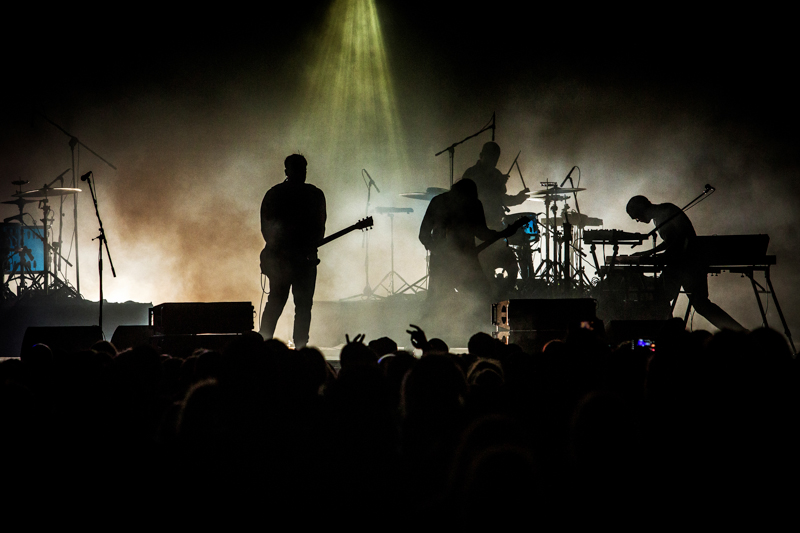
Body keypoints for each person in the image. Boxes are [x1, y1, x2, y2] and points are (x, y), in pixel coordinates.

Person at [626, 195, 745, 332]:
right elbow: (671, 241)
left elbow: (683, 238)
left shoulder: (668, 211)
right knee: (665, 297)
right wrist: (649, 252)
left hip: (689, 263)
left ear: (641, 209)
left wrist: (660, 256)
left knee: (698, 304)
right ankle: (739, 332)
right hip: (680, 264)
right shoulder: (658, 217)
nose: (637, 220)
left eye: (636, 216)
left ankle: (739, 332)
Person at [419, 179, 518, 334]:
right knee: (476, 294)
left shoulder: (444, 201)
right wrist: (439, 251)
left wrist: (501, 234)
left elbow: (424, 235)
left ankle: (475, 332)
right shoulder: (468, 203)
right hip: (455, 261)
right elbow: (424, 234)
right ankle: (477, 332)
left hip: (462, 261)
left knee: (476, 294)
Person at [259, 154, 326, 348]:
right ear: (287, 171)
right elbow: (319, 229)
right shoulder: (314, 195)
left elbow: (267, 228)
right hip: (301, 260)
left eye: (303, 170)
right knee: (301, 305)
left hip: (287, 259)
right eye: (299, 169)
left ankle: (264, 343)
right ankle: (300, 347)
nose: (301, 174)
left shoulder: (274, 194)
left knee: (279, 302)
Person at [459, 142, 529, 295]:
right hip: (476, 228)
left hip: (495, 226)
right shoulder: (471, 173)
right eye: (491, 158)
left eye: (496, 159)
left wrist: (518, 199)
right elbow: (472, 196)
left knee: (509, 262)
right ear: (482, 156)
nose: (493, 162)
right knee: (483, 264)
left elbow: (501, 199)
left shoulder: (496, 174)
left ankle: (501, 293)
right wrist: (495, 184)